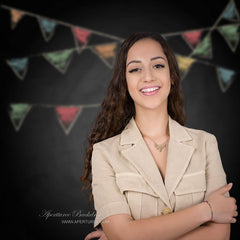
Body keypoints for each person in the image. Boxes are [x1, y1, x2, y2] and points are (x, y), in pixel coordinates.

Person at [81, 32, 237, 240]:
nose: (148, 76)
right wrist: (207, 210)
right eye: (135, 69)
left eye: (158, 65)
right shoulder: (104, 153)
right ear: (125, 82)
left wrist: (132, 235)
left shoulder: (206, 143)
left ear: (171, 75)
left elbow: (219, 235)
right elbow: (122, 235)